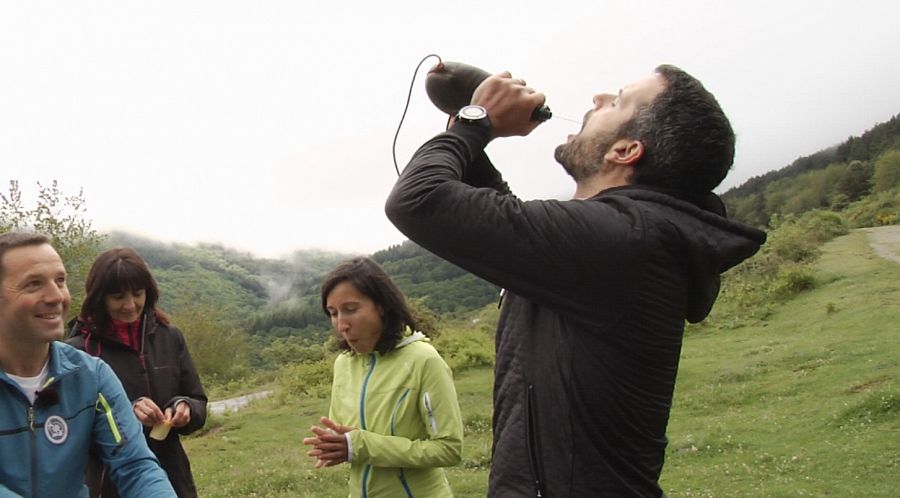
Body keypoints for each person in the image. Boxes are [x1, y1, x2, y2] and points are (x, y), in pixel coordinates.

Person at [385, 65, 767, 497]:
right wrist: (470, 125)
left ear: (625, 151)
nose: (600, 97)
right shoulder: (625, 242)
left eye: (619, 100)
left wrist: (478, 124)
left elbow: (417, 201)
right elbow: (511, 225)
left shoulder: (624, 240)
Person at [0, 231, 176, 497]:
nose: (56, 296)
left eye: (60, 281)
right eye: (34, 284)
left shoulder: (91, 376)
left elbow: (135, 466)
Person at [302, 256, 463, 498]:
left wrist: (360, 446)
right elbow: (348, 435)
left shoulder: (424, 360)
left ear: (382, 305)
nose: (341, 325)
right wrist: (336, 445)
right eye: (333, 313)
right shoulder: (344, 364)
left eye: (351, 309)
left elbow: (449, 449)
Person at [67, 247, 207, 498]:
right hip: (109, 483)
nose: (130, 305)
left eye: (137, 294)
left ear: (148, 293)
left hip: (172, 476)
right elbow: (73, 430)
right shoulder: (78, 351)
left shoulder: (169, 337)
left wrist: (185, 407)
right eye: (118, 296)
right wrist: (127, 413)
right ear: (100, 297)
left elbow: (198, 400)